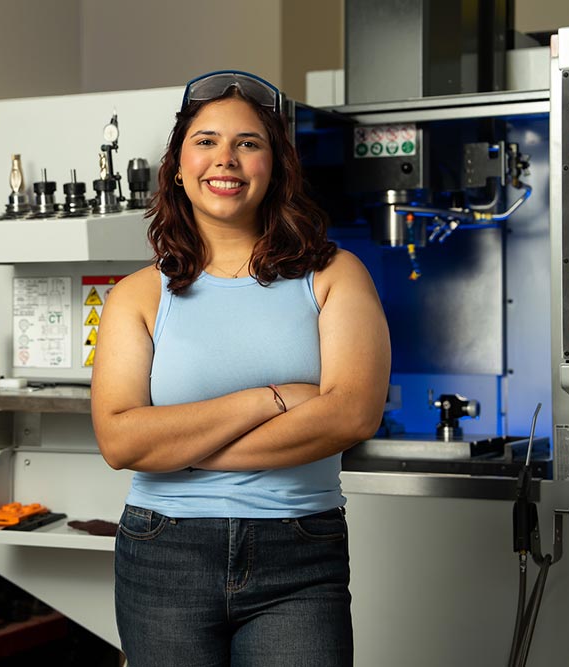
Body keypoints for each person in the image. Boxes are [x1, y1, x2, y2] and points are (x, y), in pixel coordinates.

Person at [91, 70, 391, 667]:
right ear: (177, 166)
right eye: (205, 141)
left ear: (275, 165)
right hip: (163, 549)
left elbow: (353, 414)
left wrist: (180, 447)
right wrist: (270, 398)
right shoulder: (137, 295)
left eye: (248, 143)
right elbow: (120, 440)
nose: (224, 159)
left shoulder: (334, 275)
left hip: (301, 549)